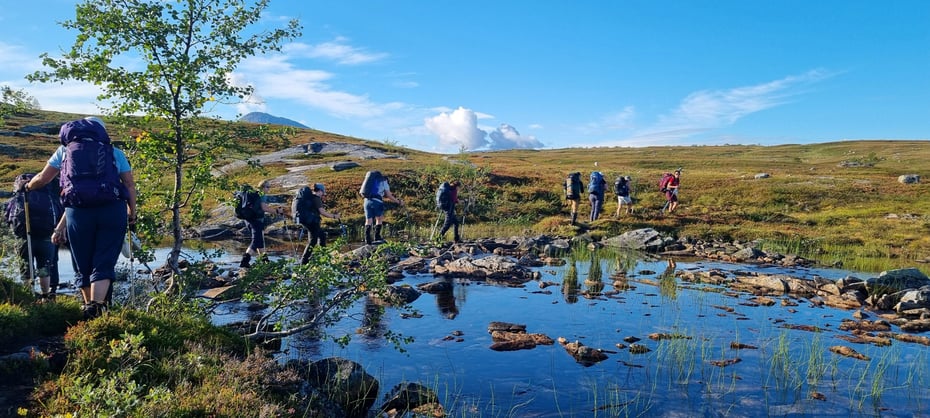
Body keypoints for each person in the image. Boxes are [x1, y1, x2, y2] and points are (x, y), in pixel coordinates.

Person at [26, 116, 137, 319]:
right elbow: (129, 184)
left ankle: (89, 308)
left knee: (82, 261)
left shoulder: (64, 151)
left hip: (77, 211)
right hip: (112, 209)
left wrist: (27, 186)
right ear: (101, 132)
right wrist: (132, 212)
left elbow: (42, 178)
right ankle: (98, 308)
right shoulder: (114, 152)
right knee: (104, 259)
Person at [4, 174, 63, 301]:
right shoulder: (50, 197)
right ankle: (46, 296)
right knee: (44, 268)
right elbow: (59, 214)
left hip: (23, 237)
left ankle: (29, 297)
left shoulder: (19, 196)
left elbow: (8, 215)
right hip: (46, 236)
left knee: (26, 268)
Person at [240, 179, 284, 268]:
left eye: (269, 187)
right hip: (256, 221)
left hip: (249, 220)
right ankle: (244, 261)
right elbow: (264, 208)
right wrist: (277, 211)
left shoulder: (253, 194)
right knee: (255, 241)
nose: (269, 189)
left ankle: (265, 261)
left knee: (259, 241)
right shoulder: (261, 195)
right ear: (262, 187)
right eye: (267, 187)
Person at [297, 183, 340, 265]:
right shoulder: (316, 198)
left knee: (320, 236)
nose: (323, 194)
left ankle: (320, 257)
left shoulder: (310, 198)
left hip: (307, 221)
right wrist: (335, 216)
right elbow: (322, 212)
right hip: (312, 222)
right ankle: (305, 261)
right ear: (320, 191)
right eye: (323, 192)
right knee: (314, 240)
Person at [361, 172, 403, 245]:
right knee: (379, 218)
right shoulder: (384, 181)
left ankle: (367, 239)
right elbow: (389, 195)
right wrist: (398, 202)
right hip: (377, 201)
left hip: (366, 201)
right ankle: (377, 236)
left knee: (368, 220)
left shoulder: (370, 180)